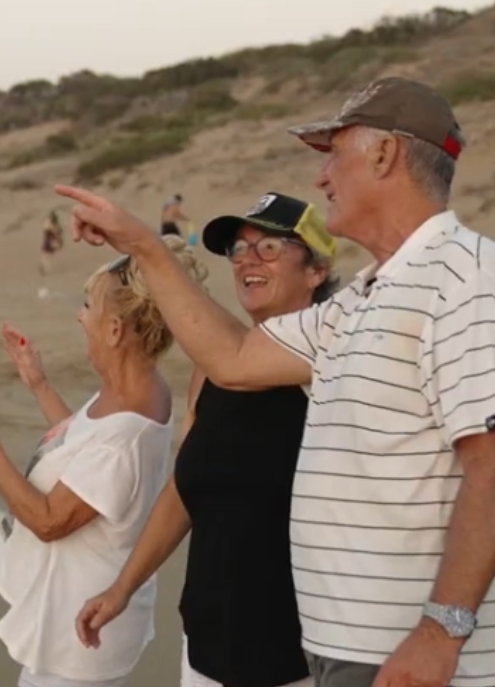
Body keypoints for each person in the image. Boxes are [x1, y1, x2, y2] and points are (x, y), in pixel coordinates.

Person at [58, 76, 495, 687]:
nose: (322, 177)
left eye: (333, 154)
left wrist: (441, 631)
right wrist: (145, 249)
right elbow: (234, 357)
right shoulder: (365, 296)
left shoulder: (469, 275)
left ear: (385, 155)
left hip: (403, 654)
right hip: (337, 646)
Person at [76, 192, 340, 687]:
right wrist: (123, 588)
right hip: (205, 647)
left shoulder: (334, 364)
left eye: (269, 248)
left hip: (298, 658)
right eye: (238, 250)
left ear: (316, 270)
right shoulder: (215, 368)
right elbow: (184, 488)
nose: (247, 261)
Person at [0, 232, 200, 687]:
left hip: (78, 638)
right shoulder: (136, 390)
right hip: (79, 617)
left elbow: (50, 521)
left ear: (115, 329)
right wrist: (40, 384)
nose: (79, 317)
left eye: (88, 306)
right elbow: (84, 454)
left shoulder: (127, 430)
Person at [40, 210, 65, 276]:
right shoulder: (55, 225)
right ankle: (44, 267)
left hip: (49, 242)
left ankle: (45, 268)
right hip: (52, 242)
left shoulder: (50, 225)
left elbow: (48, 229)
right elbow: (58, 233)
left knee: (46, 255)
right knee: (47, 255)